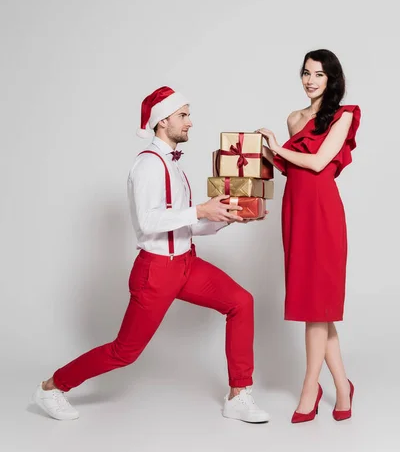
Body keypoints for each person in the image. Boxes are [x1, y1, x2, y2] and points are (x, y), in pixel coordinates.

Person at [33, 86, 269, 424]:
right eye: (183, 115)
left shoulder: (174, 166)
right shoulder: (147, 165)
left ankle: (238, 394)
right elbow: (148, 221)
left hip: (186, 264)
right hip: (156, 272)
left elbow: (185, 226)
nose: (190, 122)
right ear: (162, 122)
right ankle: (51, 387)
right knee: (124, 352)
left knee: (241, 302)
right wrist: (200, 209)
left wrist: (227, 218)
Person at [257, 49, 360, 423]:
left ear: (332, 79)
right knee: (316, 305)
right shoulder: (293, 118)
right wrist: (266, 150)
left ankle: (309, 387)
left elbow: (318, 163)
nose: (310, 80)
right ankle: (343, 388)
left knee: (317, 307)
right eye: (306, 73)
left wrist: (278, 150)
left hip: (323, 212)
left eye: (319, 74)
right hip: (296, 210)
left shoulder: (343, 116)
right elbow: (292, 166)